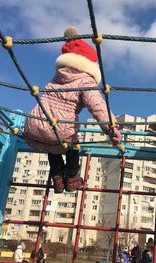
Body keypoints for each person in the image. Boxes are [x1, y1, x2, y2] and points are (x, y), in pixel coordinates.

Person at [24, 27, 122, 194]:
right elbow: (97, 106)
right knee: (71, 145)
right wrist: (111, 127)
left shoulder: (56, 77)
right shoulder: (85, 80)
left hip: (33, 124)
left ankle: (57, 178)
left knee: (51, 145)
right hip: (60, 129)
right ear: (90, 64)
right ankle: (72, 177)